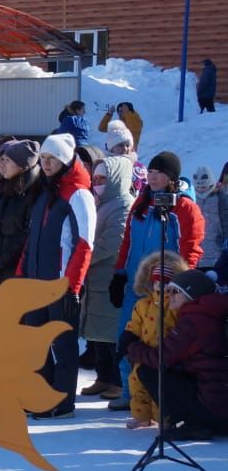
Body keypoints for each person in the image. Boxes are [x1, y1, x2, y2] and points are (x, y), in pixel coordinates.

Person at [106, 150, 205, 411]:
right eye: (150, 171)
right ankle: (131, 394)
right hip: (135, 285)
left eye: (159, 172)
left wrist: (182, 283)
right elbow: (127, 243)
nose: (153, 177)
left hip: (165, 290)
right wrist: (119, 274)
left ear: (171, 177)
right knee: (127, 340)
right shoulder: (140, 204)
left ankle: (159, 401)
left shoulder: (183, 208)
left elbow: (191, 248)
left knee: (159, 344)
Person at [19, 133, 95, 419]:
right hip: (37, 281)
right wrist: (22, 275)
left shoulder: (78, 193)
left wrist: (72, 286)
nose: (46, 164)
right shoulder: (45, 191)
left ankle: (62, 402)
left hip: (62, 283)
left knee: (62, 345)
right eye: (43, 159)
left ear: (64, 159)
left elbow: (85, 243)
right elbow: (32, 238)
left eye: (51, 159)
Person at [125, 269, 228, 439]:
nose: (169, 295)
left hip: (213, 408)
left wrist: (133, 348)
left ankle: (194, 424)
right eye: (168, 290)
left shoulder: (195, 320)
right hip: (219, 401)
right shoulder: (209, 313)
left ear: (191, 294)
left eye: (175, 291)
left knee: (149, 371)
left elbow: (160, 358)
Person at [79, 152, 137, 401]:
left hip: (110, 275)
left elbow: (114, 242)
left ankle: (116, 380)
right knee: (97, 332)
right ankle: (103, 376)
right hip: (95, 277)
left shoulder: (125, 204)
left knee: (111, 330)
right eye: (96, 177)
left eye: (103, 178)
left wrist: (85, 258)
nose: (97, 182)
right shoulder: (100, 203)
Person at [118, 250, 190, 428]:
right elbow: (134, 325)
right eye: (157, 281)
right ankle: (142, 416)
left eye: (166, 283)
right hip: (143, 353)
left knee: (161, 388)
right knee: (137, 384)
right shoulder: (143, 304)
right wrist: (126, 341)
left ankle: (164, 418)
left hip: (166, 355)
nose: (161, 286)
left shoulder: (175, 305)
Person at [0, 140, 40, 291]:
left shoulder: (33, 194)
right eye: (1, 159)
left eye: (8, 160)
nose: (1, 164)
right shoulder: (4, 188)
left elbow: (24, 235)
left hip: (15, 271)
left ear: (22, 166)